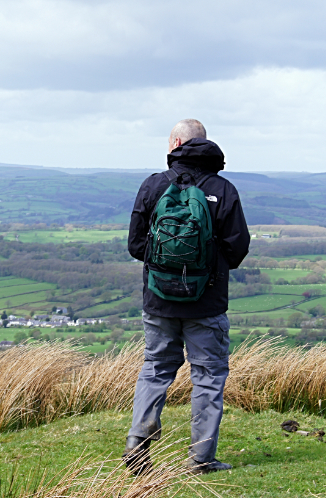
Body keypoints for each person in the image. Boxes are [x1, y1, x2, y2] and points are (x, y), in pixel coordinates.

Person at [123, 119, 250, 474]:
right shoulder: (223, 189)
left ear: (176, 143)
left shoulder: (153, 186)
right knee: (208, 375)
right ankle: (200, 458)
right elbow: (238, 248)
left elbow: (135, 245)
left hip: (159, 302)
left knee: (155, 368)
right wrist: (207, 267)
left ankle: (138, 438)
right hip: (206, 303)